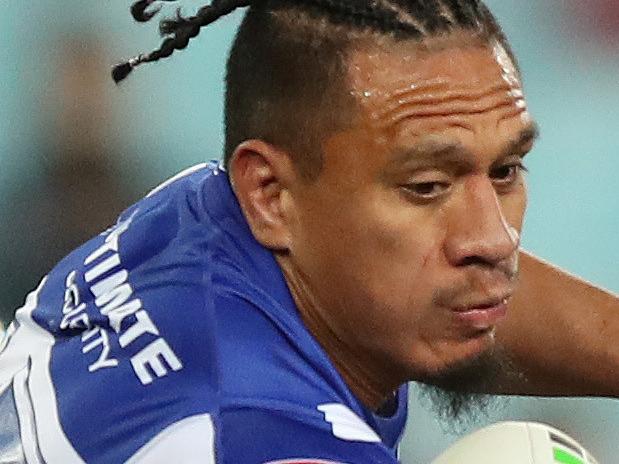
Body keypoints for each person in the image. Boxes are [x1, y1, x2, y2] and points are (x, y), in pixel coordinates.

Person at [0, 0, 617, 462]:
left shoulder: (196, 215)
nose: (493, 238)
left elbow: (474, 297)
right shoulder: (258, 436)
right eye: (426, 187)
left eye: (506, 170)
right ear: (270, 195)